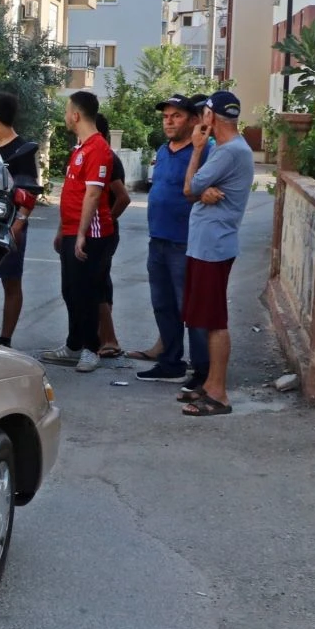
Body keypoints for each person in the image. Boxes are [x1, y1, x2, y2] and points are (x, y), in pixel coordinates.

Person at [178, 90, 256, 417]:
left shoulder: (228, 152)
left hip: (213, 246)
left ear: (210, 117)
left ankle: (218, 393)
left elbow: (189, 188)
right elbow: (197, 192)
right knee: (207, 318)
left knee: (215, 321)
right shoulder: (229, 149)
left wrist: (196, 150)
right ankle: (209, 384)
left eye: (203, 112)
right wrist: (200, 192)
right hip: (207, 244)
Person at [129, 94, 213, 383]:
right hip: (159, 239)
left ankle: (203, 370)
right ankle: (170, 362)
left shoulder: (205, 151)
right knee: (163, 304)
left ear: (192, 119)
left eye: (176, 115)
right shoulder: (164, 150)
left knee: (190, 307)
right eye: (165, 116)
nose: (168, 121)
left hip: (187, 242)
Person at [40, 91, 116, 373]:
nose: (65, 116)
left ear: (75, 115)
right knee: (70, 290)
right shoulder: (81, 148)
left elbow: (93, 195)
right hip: (73, 230)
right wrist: (64, 229)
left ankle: (91, 348)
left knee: (86, 292)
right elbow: (73, 194)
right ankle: (73, 345)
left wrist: (82, 233)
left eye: (66, 111)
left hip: (92, 234)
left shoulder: (98, 149)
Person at [0, 92, 39, 349]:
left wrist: (19, 224)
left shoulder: (22, 149)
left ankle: (5, 339)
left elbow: (30, 193)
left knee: (11, 281)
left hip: (10, 225)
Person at [93, 114, 132, 358]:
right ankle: (100, 336)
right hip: (94, 231)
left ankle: (110, 339)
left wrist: (107, 220)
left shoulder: (108, 158)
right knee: (99, 282)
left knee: (97, 285)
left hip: (103, 233)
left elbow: (123, 197)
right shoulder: (91, 154)